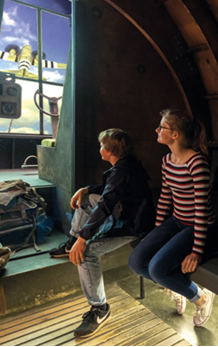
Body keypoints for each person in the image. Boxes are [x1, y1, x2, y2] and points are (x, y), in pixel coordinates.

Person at [49, 128, 155, 338]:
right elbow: (110, 190)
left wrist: (84, 239)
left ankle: (100, 308)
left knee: (86, 254)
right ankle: (72, 242)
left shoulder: (122, 171)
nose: (99, 149)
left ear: (109, 151)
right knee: (86, 200)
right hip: (124, 214)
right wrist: (86, 189)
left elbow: (105, 205)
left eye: (101, 145)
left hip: (131, 225)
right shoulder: (126, 165)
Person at [128, 109, 218, 327]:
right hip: (177, 221)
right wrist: (156, 233)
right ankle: (178, 286)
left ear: (175, 134)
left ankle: (201, 298)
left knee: (157, 269)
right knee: (136, 262)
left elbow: (201, 210)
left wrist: (196, 251)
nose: (157, 130)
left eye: (162, 127)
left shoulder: (196, 163)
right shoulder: (167, 160)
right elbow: (165, 197)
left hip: (198, 225)